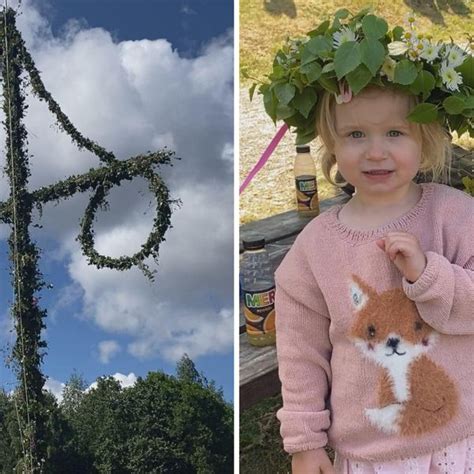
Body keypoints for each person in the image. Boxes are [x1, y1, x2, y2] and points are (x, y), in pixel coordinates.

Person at [271, 12, 474, 471]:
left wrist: (430, 277)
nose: (375, 151)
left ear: (425, 141)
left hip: (460, 439)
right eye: (356, 134)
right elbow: (300, 354)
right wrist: (304, 441)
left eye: (395, 133)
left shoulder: (456, 215)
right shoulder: (315, 247)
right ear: (331, 145)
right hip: (370, 456)